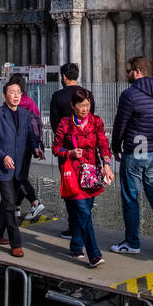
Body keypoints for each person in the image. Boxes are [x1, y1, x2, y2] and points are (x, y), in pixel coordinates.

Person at [110, 55, 153, 257]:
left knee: (131, 197)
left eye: (129, 71)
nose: (127, 74)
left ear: (137, 72)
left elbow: (120, 123)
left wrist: (115, 146)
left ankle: (132, 242)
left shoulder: (130, 95)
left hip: (138, 150)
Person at [53, 86, 115, 267]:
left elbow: (103, 144)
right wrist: (70, 152)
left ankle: (75, 245)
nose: (85, 109)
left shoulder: (96, 122)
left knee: (84, 212)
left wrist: (107, 164)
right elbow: (56, 148)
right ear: (73, 106)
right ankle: (94, 254)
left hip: (91, 173)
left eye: (87, 105)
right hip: (73, 172)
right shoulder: (65, 123)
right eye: (81, 105)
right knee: (84, 212)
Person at [0, 80, 39, 258]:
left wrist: (36, 148)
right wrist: (3, 156)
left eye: (18, 92)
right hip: (4, 166)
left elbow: (29, 135)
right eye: (12, 92)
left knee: (7, 203)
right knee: (9, 204)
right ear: (4, 95)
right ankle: (16, 243)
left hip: (20, 166)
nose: (16, 95)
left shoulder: (25, 114)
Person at [49, 63, 94, 238]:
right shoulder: (87, 95)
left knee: (70, 189)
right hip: (86, 150)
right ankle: (82, 224)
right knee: (86, 186)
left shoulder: (58, 96)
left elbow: (54, 124)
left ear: (64, 78)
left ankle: (74, 226)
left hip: (67, 152)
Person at [11, 74, 46, 219]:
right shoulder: (30, 102)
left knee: (18, 177)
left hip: (17, 145)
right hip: (29, 144)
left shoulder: (14, 103)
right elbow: (38, 123)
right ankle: (16, 207)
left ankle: (35, 202)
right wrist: (38, 143)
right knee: (20, 175)